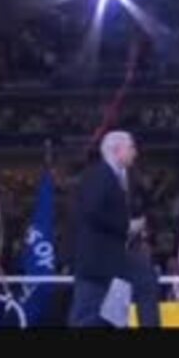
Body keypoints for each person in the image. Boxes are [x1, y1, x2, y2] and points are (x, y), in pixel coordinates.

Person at [69, 131, 161, 327]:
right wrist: (127, 226)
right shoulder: (100, 175)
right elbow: (92, 211)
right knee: (144, 279)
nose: (135, 153)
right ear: (117, 150)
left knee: (102, 312)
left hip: (108, 258)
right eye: (131, 148)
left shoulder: (117, 176)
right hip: (99, 259)